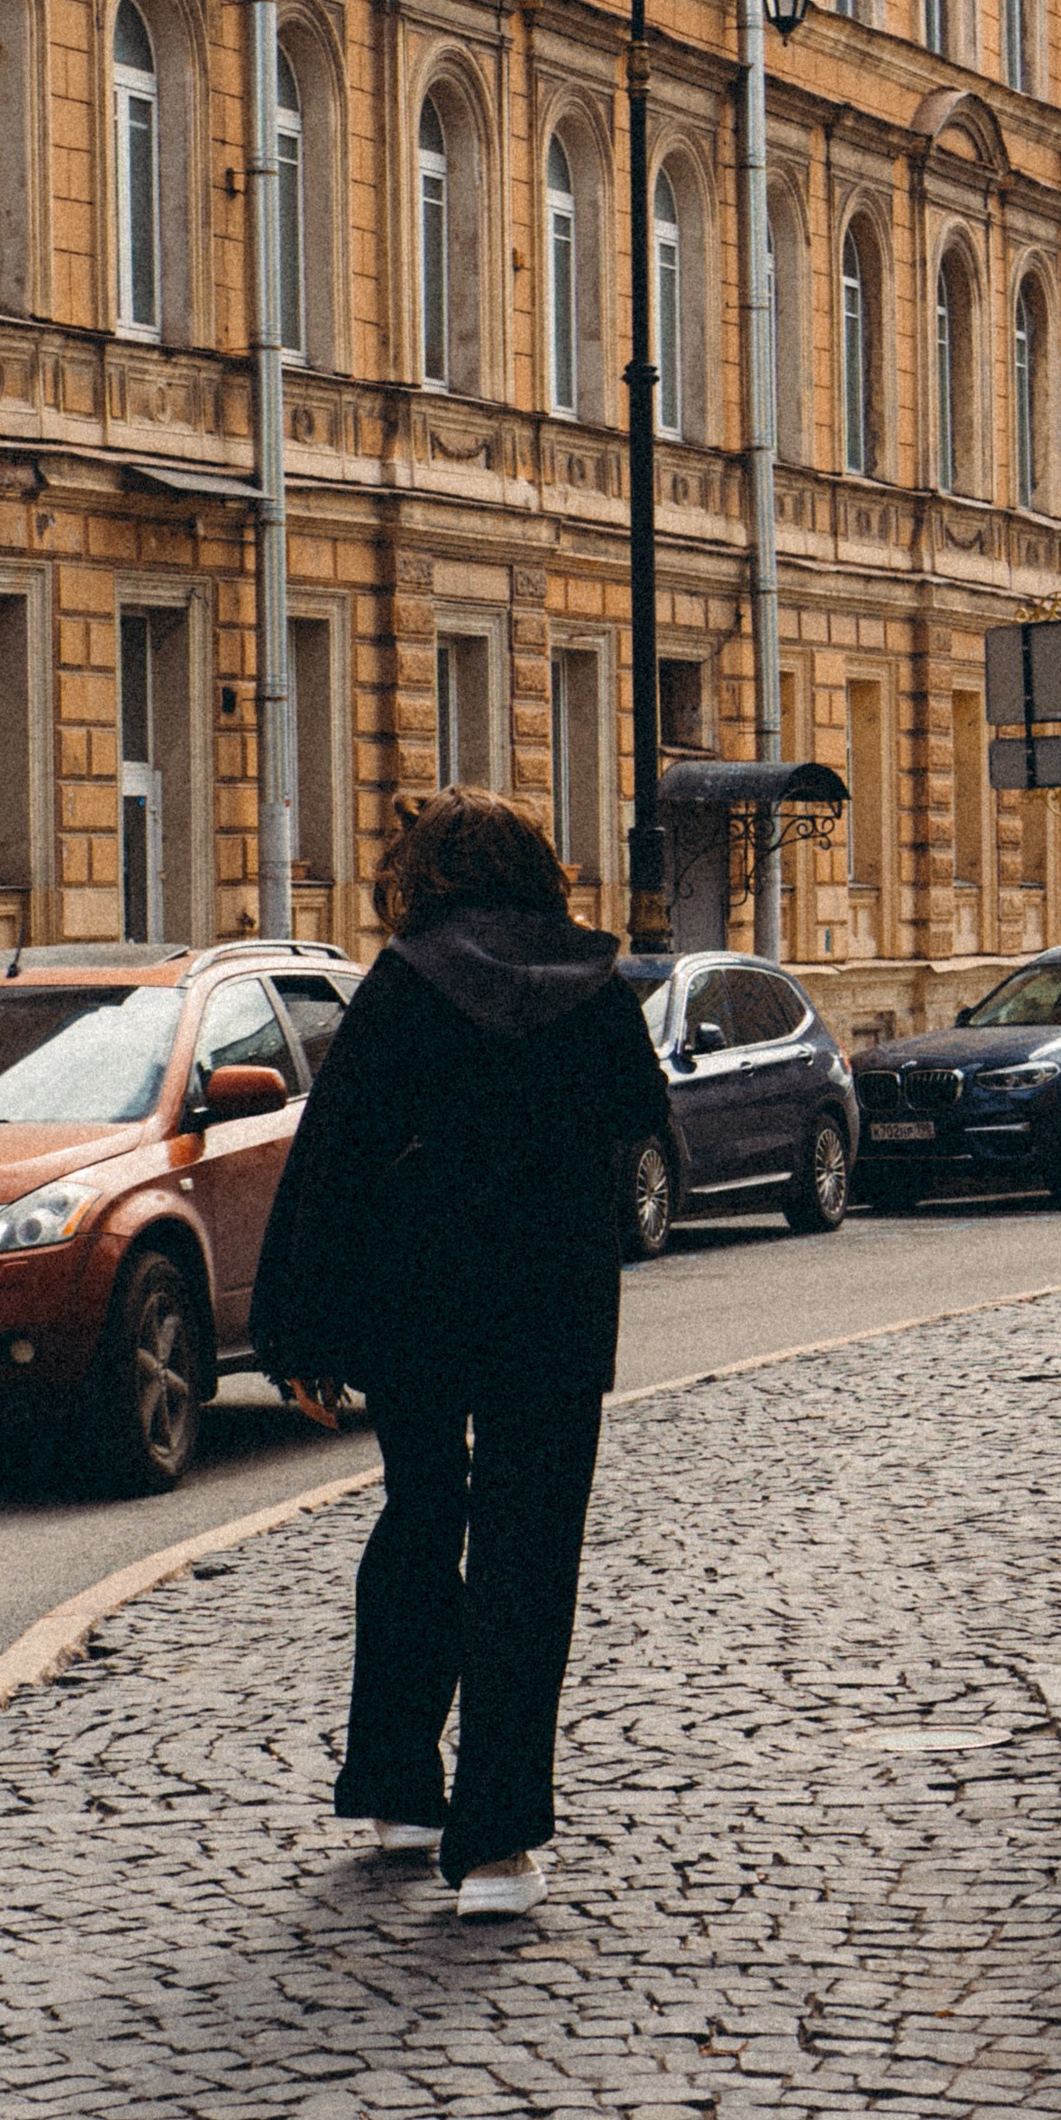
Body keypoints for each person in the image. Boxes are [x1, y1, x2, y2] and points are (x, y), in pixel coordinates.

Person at [251, 788, 672, 1918]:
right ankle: (494, 1848)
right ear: (539, 869)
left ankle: (397, 1790)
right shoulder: (593, 984)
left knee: (420, 1519)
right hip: (553, 1302)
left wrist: (299, 1330)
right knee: (530, 1558)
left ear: (423, 872)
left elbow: (333, 1157)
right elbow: (643, 1112)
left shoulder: (406, 978)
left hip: (420, 1300)